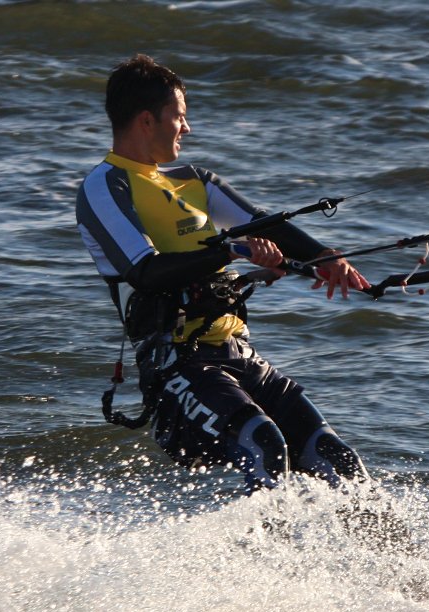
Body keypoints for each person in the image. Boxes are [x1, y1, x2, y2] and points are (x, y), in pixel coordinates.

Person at [76, 54, 371, 495]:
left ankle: (392, 561)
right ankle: (263, 561)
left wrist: (325, 257)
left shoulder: (193, 180)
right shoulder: (105, 187)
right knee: (264, 443)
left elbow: (262, 224)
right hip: (177, 367)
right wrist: (231, 251)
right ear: (146, 121)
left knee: (336, 458)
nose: (187, 128)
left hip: (238, 355)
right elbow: (146, 272)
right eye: (179, 117)